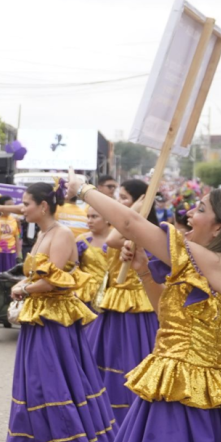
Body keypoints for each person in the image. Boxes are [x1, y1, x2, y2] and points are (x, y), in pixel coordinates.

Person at [68, 179, 221, 442]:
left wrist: (82, 189)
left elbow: (129, 225)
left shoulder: (216, 264)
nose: (190, 214)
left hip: (185, 397)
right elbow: (171, 320)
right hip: (185, 387)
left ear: (220, 227)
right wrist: (145, 271)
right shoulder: (220, 268)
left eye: (201, 209)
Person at [5, 182, 116, 442]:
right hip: (39, 315)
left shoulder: (62, 234)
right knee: (34, 380)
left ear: (43, 206)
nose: (22, 208)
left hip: (55, 320)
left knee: (53, 381)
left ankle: (65, 438)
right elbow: (36, 276)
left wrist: (24, 289)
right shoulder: (43, 233)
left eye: (26, 203)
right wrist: (21, 284)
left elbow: (53, 281)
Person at [85, 179, 160, 424]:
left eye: (125, 198)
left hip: (139, 306)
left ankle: (133, 420)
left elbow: (113, 239)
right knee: (106, 361)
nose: (120, 202)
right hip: (115, 302)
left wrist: (138, 207)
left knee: (133, 361)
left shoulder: (150, 233)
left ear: (141, 203)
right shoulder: (127, 231)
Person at [75, 205, 111, 311]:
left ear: (108, 219)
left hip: (110, 294)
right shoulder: (82, 239)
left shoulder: (117, 240)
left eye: (94, 217)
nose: (89, 221)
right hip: (86, 295)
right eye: (88, 217)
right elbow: (73, 267)